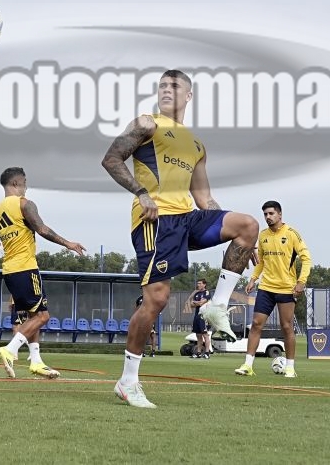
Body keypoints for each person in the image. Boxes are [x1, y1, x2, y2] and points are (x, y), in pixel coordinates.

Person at [101, 69, 259, 408]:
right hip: (155, 220)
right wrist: (141, 192)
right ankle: (128, 381)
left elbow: (205, 199)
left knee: (248, 225)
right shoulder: (146, 123)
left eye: (174, 86)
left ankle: (218, 305)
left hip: (187, 218)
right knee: (156, 300)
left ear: (188, 96)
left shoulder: (197, 144)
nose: (166, 90)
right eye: (162, 85)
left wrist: (245, 240)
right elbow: (111, 159)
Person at [0, 166, 86, 379]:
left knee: (32, 315)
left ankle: (36, 361)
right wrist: (68, 243)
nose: (26, 187)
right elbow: (42, 229)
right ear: (16, 183)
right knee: (43, 316)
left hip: (9, 271)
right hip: (26, 268)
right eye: (25, 182)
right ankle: (10, 349)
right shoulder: (24, 204)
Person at [235, 200, 312, 379]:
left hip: (286, 288)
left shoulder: (291, 234)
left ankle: (290, 368)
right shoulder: (263, 235)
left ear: (279, 214)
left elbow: (306, 259)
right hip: (266, 288)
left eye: (271, 213)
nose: (268, 217)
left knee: (286, 327)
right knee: (256, 324)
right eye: (265, 214)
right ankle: (247, 365)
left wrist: (301, 282)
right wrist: (253, 279)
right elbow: (261, 262)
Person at [189, 279, 211, 359]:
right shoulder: (197, 293)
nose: (198, 285)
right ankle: (198, 352)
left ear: (204, 284)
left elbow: (202, 303)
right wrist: (196, 303)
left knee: (205, 334)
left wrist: (195, 302)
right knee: (198, 335)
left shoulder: (206, 292)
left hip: (203, 316)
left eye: (200, 283)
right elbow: (191, 305)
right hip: (196, 316)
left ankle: (207, 353)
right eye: (198, 283)